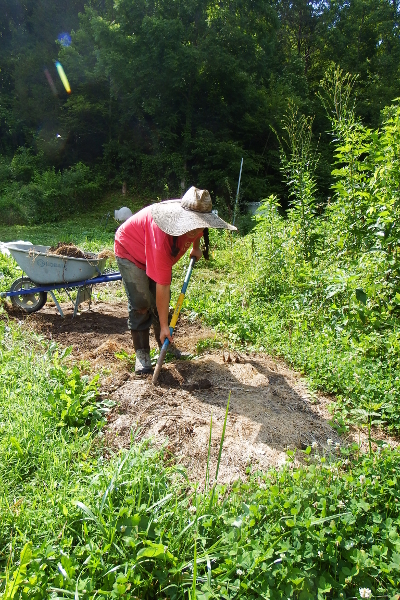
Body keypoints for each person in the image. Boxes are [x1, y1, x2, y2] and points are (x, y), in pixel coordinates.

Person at [114, 186, 236, 374]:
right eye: (192, 223)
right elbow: (163, 286)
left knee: (160, 302)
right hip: (130, 250)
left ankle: (165, 344)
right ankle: (142, 354)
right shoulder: (163, 232)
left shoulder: (198, 222)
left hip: (151, 251)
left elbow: (200, 229)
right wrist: (165, 326)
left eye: (200, 224)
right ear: (183, 218)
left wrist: (196, 247)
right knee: (142, 302)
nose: (196, 229)